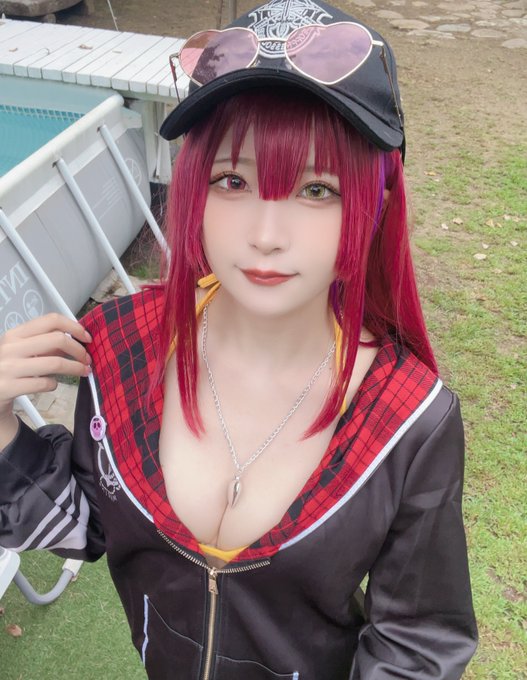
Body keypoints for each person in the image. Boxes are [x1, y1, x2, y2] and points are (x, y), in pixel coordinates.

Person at [0, 0, 478, 678]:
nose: (265, 235)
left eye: (317, 189)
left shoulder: (409, 419)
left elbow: (418, 642)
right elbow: (91, 525)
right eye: (232, 180)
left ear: (375, 203)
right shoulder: (119, 346)